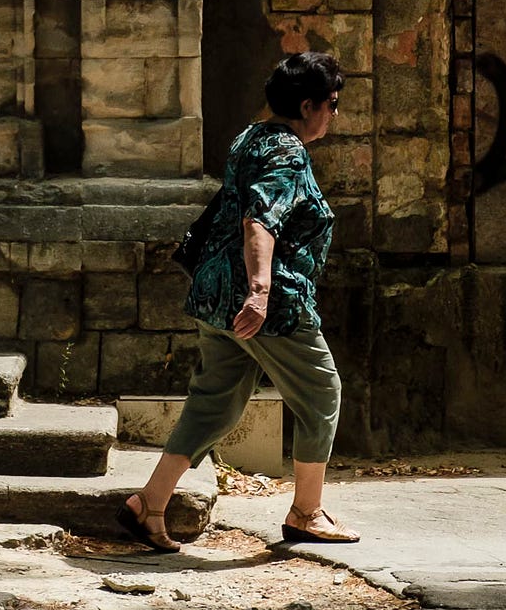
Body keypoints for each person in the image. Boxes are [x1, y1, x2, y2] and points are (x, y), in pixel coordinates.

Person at [118, 50, 360, 555]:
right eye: (332, 104)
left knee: (215, 404)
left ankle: (150, 504)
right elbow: (260, 220)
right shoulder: (288, 153)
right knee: (321, 393)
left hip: (214, 294)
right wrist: (260, 292)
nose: (334, 115)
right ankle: (307, 513)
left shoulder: (251, 136)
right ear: (309, 104)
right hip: (268, 303)